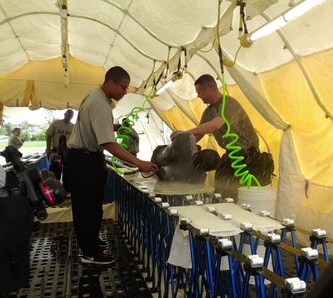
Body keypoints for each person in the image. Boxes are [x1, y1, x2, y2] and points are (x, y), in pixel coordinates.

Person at [67, 66, 158, 265]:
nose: (125, 93)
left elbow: (97, 125)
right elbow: (108, 143)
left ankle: (91, 240)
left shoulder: (98, 97)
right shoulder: (99, 103)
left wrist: (117, 126)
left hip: (88, 158)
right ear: (111, 82)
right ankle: (89, 253)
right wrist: (139, 162)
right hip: (85, 160)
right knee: (86, 207)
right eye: (123, 88)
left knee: (93, 205)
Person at [171, 74, 274, 199]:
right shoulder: (208, 112)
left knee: (242, 194)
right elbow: (198, 134)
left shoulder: (229, 104)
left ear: (207, 89)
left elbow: (215, 125)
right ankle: (221, 210)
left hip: (247, 157)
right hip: (231, 155)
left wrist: (185, 133)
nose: (198, 96)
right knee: (220, 189)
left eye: (199, 92)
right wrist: (184, 147)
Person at [45, 109, 74, 191]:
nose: (69, 116)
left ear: (72, 117)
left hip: (68, 151)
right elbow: (49, 135)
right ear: (65, 114)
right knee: (55, 170)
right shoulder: (56, 123)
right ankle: (54, 189)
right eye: (67, 114)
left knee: (67, 171)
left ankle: (66, 189)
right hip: (56, 150)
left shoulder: (73, 127)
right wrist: (48, 149)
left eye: (71, 115)